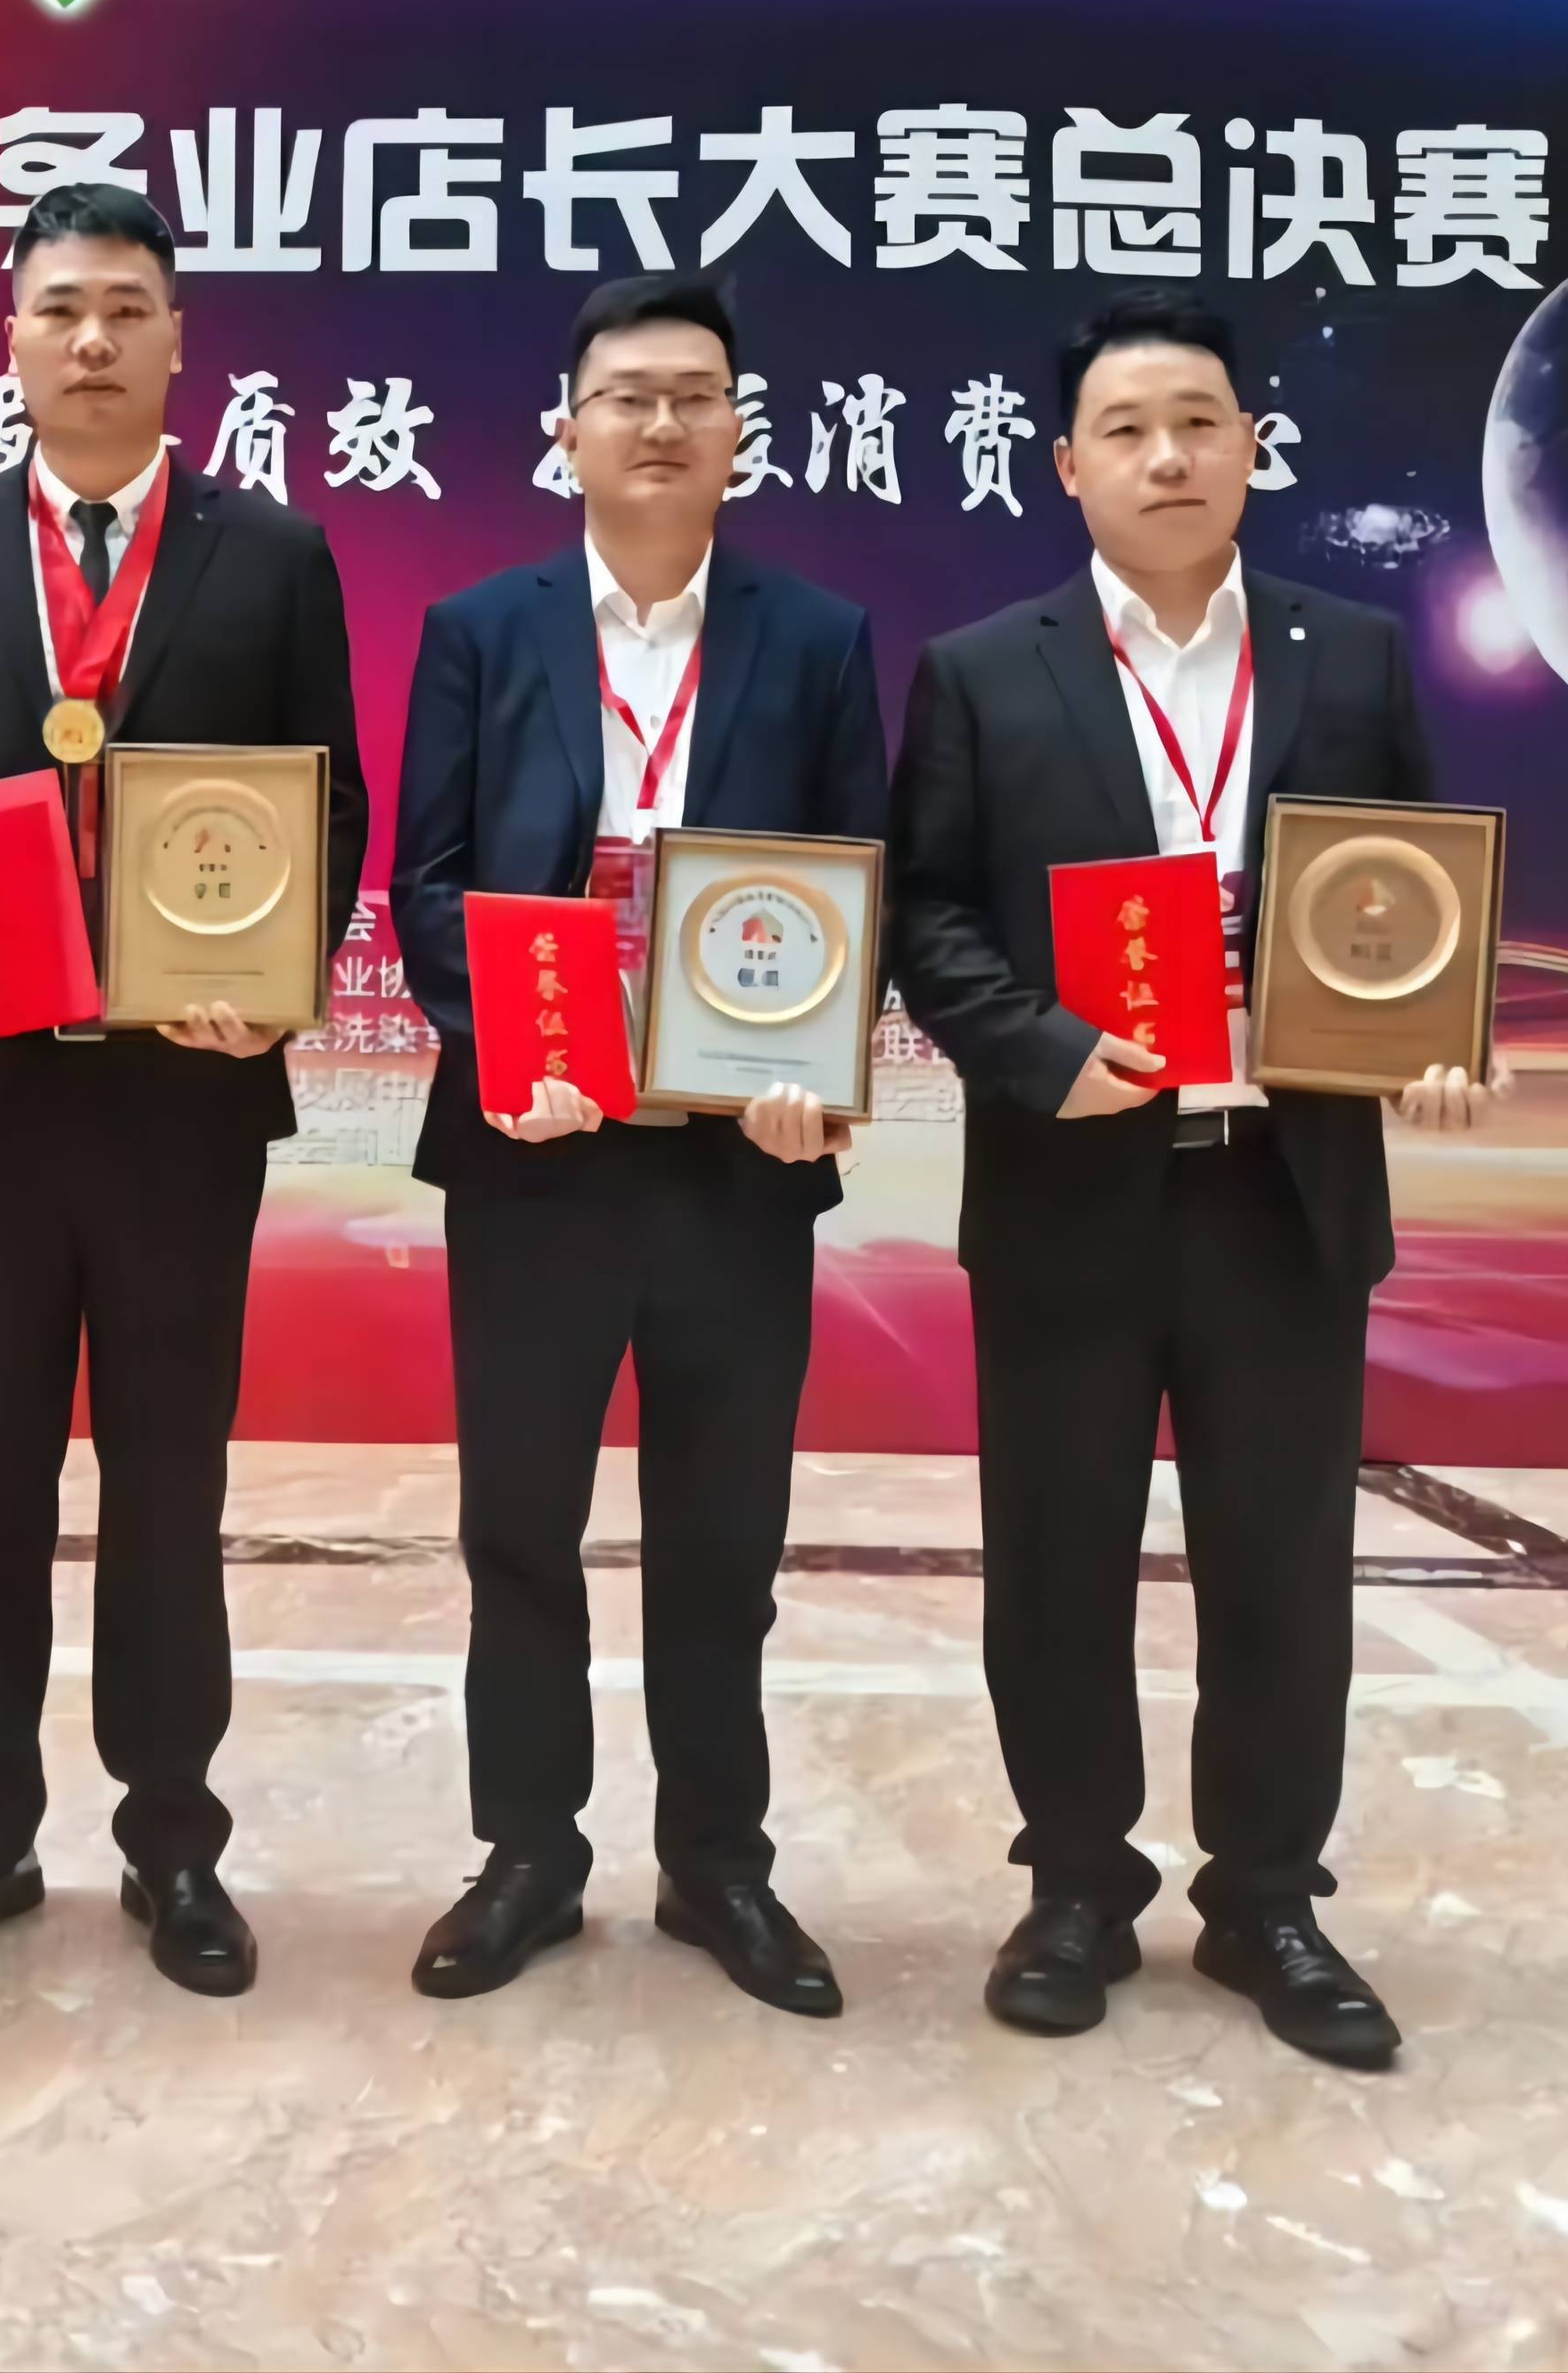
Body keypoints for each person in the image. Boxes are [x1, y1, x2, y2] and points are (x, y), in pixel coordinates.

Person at [886, 288, 1507, 2071]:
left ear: (1251, 448)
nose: (1168, 456)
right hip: (1070, 1180)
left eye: (1200, 423)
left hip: (1285, 1190)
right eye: (1129, 430)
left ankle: (1269, 1900)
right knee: (1058, 1557)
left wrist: (1434, 1031)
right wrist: (1038, 1050)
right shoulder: (982, 670)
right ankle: (1076, 1887)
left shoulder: (1350, 655)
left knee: (1283, 1562)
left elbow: (1411, 891)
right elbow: (928, 911)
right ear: (1067, 466)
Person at [0, 180, 367, 1998]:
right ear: (12, 340)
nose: (94, 340)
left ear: (179, 338)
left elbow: (332, 804)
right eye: (61, 308)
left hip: (179, 1102)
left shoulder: (272, 554)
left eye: (127, 308)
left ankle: (174, 1843)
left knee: (168, 1484)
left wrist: (277, 990)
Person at [389, 272, 888, 2013]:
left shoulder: (817, 638)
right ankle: (529, 1853)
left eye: (695, 396)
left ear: (740, 433)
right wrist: (514, 1044)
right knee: (520, 1522)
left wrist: (815, 1067)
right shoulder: (481, 629)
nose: (662, 423)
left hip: (738, 1156)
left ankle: (718, 1863)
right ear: (568, 432)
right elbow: (428, 882)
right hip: (532, 1145)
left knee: (722, 1538)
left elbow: (857, 884)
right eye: (628, 396)